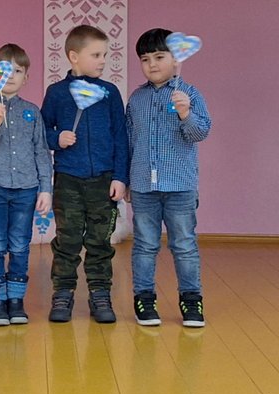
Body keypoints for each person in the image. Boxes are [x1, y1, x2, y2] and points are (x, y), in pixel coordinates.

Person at [41, 25, 128, 323]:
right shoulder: (56, 93)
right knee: (67, 240)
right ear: (74, 56)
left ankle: (100, 293)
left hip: (103, 180)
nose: (103, 60)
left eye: (105, 55)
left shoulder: (110, 93)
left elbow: (120, 137)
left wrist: (120, 177)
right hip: (68, 179)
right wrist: (57, 138)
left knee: (100, 240)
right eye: (96, 55)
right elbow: (42, 132)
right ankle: (63, 292)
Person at [126, 28, 212, 327]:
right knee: (144, 245)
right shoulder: (136, 98)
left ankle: (191, 300)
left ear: (176, 59)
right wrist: (126, 180)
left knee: (184, 245)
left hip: (180, 186)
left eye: (159, 57)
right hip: (142, 186)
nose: (152, 64)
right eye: (145, 59)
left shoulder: (190, 94)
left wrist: (186, 113)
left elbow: (200, 133)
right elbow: (129, 140)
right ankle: (144, 299)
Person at [0, 44, 52, 325]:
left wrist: (46, 188)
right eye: (3, 70)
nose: (10, 76)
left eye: (17, 71)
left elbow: (41, 150)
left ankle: (16, 300)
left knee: (20, 244)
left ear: (26, 77)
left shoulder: (32, 111)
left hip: (26, 188)